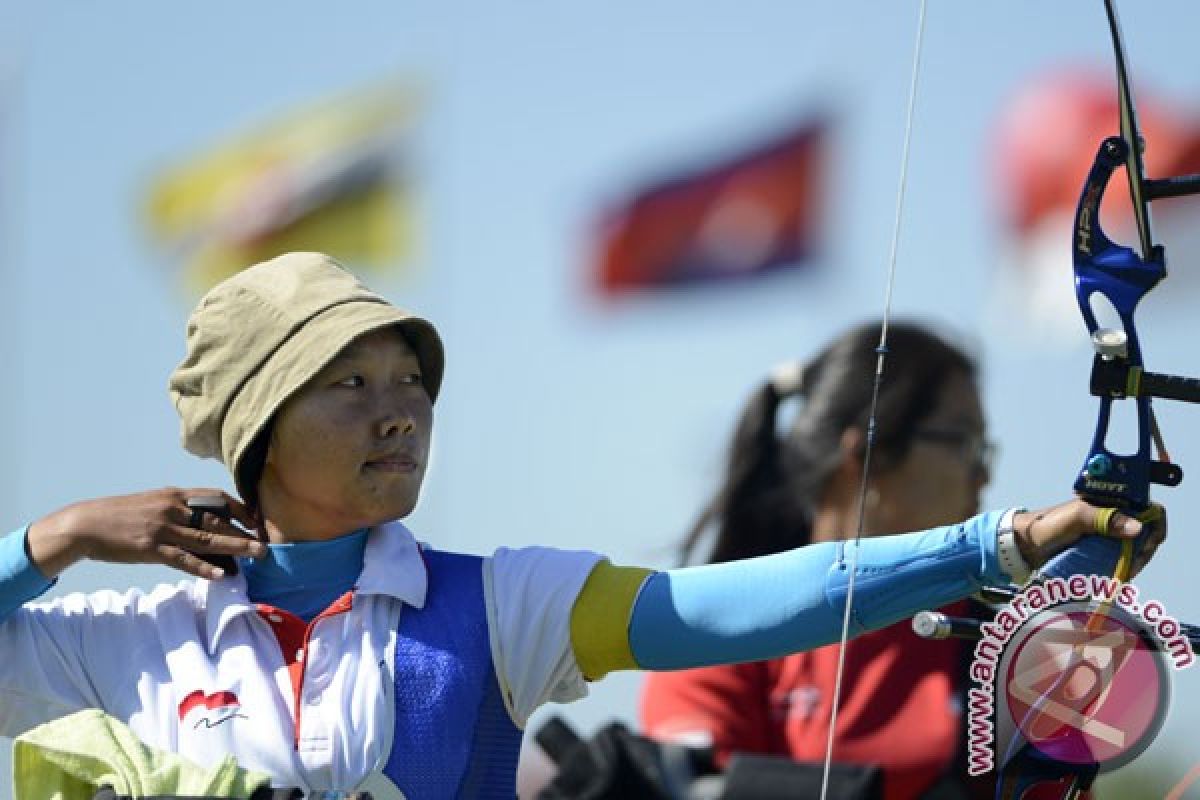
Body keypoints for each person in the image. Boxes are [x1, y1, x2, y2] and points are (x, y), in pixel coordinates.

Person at [0, 253, 1162, 798]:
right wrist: (51, 539)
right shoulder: (119, 638)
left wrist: (1007, 538)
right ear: (256, 421)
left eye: (409, 377)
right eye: (346, 383)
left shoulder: (498, 603)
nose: (398, 408)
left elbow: (737, 602)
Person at [636, 322, 1092, 799]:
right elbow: (689, 785)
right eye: (962, 442)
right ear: (866, 454)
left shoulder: (1000, 645)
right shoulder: (724, 621)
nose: (981, 474)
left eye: (984, 450)